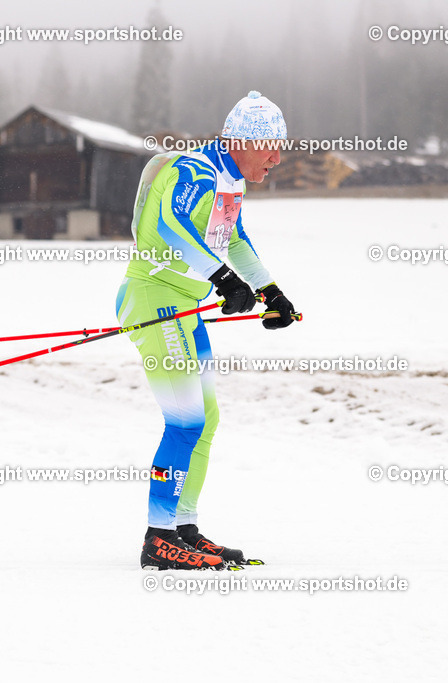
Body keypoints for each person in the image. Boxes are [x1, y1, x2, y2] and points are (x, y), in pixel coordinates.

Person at [115, 91, 298, 570]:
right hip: (155, 299)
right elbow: (170, 224)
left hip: (186, 304)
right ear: (243, 141)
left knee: (206, 418)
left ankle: (183, 529)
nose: (277, 158)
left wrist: (271, 292)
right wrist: (221, 279)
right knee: (185, 421)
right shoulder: (195, 171)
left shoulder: (230, 182)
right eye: (270, 147)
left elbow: (233, 239)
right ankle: (158, 539)